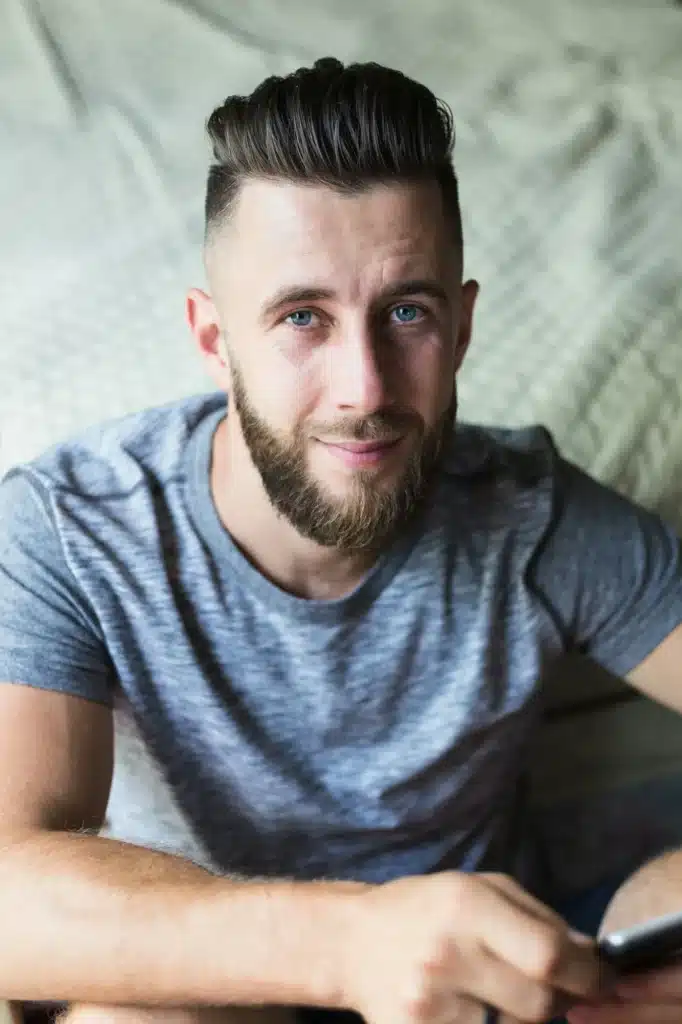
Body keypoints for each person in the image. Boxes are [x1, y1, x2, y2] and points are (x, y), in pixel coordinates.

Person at [1, 56, 682, 1024]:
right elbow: (7, 893)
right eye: (301, 318)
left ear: (463, 325)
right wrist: (351, 944)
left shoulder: (532, 516)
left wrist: (659, 913)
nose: (364, 388)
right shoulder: (71, 529)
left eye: (406, 312)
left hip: (484, 991)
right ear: (213, 339)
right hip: (208, 989)